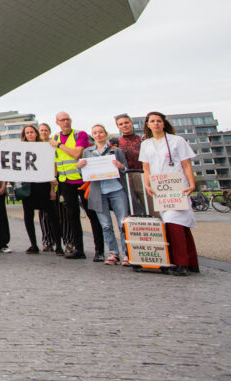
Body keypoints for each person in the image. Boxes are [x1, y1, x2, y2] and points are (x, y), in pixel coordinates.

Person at [140, 111, 199, 276]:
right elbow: (146, 168)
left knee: (175, 223)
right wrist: (147, 185)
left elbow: (186, 164)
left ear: (164, 123)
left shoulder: (177, 141)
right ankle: (192, 262)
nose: (156, 124)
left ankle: (181, 263)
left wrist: (192, 184)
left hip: (177, 185)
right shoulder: (146, 144)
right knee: (179, 225)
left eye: (159, 121)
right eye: (152, 121)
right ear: (147, 125)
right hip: (159, 187)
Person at [79, 124, 129, 266]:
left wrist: (121, 166)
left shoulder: (116, 150)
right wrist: (80, 168)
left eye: (100, 132)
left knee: (123, 223)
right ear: (93, 136)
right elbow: (84, 174)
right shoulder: (87, 152)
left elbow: (126, 169)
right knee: (106, 225)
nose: (98, 135)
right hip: (98, 191)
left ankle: (127, 253)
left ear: (105, 134)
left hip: (116, 189)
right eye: (95, 133)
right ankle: (113, 253)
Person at [49, 112, 89, 260]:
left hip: (81, 180)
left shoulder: (80, 135)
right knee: (72, 216)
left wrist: (59, 145)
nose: (65, 122)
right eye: (62, 120)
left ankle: (100, 249)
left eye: (67, 119)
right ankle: (79, 249)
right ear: (57, 122)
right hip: (65, 182)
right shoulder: (54, 138)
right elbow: (54, 160)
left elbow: (76, 154)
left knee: (92, 214)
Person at [19, 125, 61, 254]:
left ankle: (59, 246)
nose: (30, 134)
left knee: (53, 216)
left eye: (32, 132)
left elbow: (50, 167)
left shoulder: (44, 147)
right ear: (24, 135)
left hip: (43, 186)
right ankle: (33, 245)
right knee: (28, 217)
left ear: (36, 133)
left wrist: (52, 189)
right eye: (27, 133)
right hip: (28, 187)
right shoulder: (20, 149)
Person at [36, 123, 61, 253]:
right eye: (41, 130)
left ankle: (61, 241)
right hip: (42, 182)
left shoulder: (54, 144)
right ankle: (47, 240)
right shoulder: (36, 146)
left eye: (46, 130)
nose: (44, 132)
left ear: (49, 131)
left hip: (56, 180)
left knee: (58, 213)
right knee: (44, 215)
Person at [114, 112, 146, 215]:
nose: (124, 125)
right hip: (125, 177)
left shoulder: (142, 140)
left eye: (126, 122)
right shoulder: (116, 143)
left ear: (132, 123)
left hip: (142, 175)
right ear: (118, 127)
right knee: (132, 210)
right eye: (121, 124)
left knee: (150, 207)